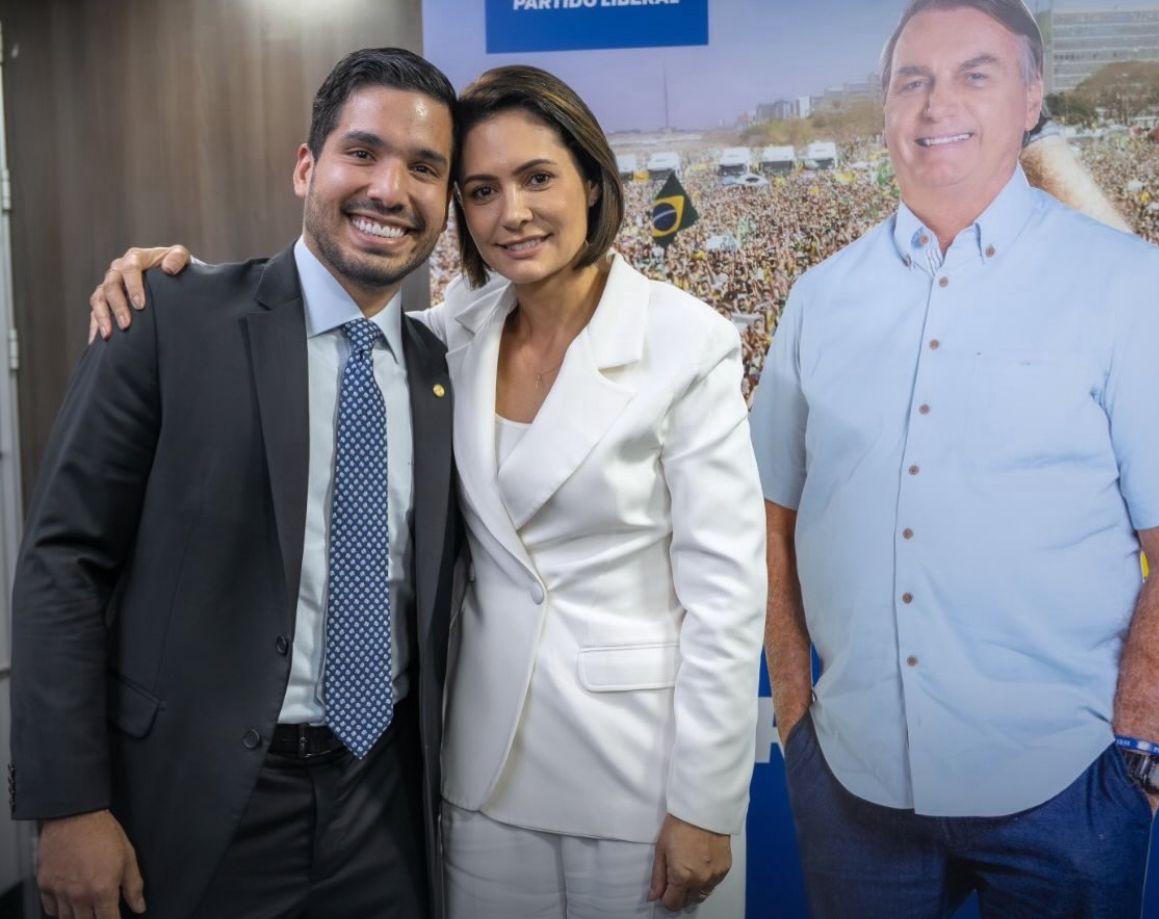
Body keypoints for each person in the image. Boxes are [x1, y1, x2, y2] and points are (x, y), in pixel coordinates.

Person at [89, 64, 767, 918]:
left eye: (538, 178)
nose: (510, 212)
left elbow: (727, 594)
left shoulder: (684, 340)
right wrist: (174, 280)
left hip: (635, 770)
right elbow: (316, 315)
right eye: (481, 190)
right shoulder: (454, 334)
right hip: (474, 774)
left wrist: (706, 798)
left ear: (593, 184)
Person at [750, 0, 1159, 917]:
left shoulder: (1132, 286)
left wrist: (1141, 753)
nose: (936, 104)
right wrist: (794, 717)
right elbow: (770, 518)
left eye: (974, 75)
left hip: (1069, 795)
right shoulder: (819, 297)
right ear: (886, 108)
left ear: (1031, 100)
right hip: (851, 788)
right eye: (911, 81)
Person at [10, 47, 463, 919]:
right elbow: (62, 563)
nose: (390, 190)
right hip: (190, 805)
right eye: (361, 153)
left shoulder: (444, 371)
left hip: (386, 810)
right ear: (307, 166)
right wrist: (68, 802)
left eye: (424, 169)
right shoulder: (167, 316)